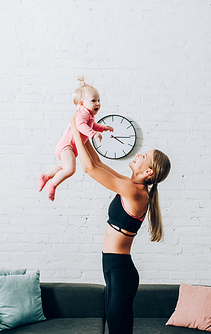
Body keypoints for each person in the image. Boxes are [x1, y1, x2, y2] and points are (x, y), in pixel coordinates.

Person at [69, 114, 171, 334]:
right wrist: (83, 131)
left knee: (118, 330)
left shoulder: (135, 192)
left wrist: (74, 130)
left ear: (148, 172)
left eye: (143, 156)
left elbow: (89, 170)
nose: (138, 155)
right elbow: (97, 163)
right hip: (115, 268)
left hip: (119, 271)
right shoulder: (130, 184)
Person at [37, 80, 113, 200]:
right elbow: (81, 126)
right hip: (67, 146)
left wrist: (103, 128)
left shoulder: (89, 115)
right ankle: (52, 184)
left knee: (64, 168)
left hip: (70, 148)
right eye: (93, 101)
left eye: (99, 101)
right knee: (70, 170)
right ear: (82, 103)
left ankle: (46, 176)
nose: (97, 103)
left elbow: (92, 125)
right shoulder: (82, 113)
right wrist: (93, 135)